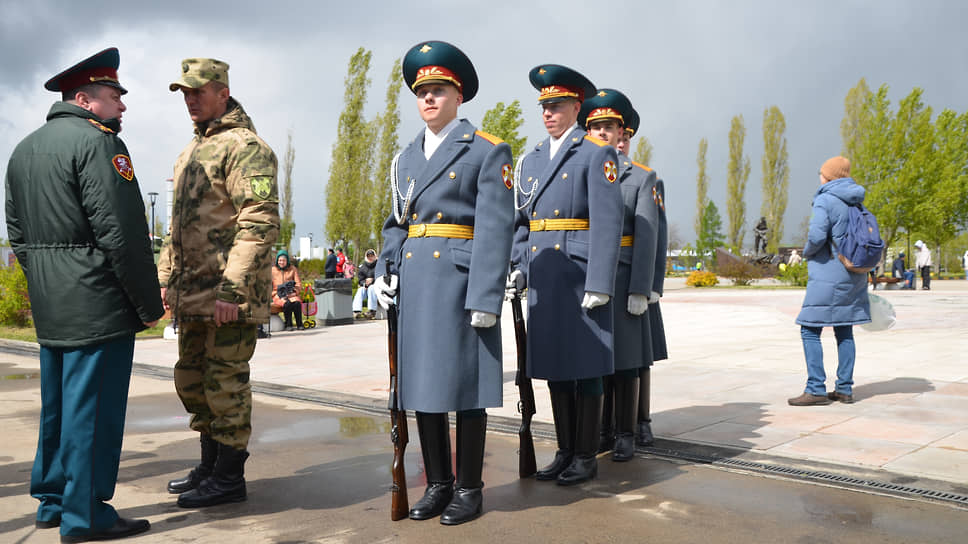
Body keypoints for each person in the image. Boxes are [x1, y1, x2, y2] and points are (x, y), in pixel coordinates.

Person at [5, 47, 163, 541]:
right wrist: (148, 302)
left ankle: (53, 501)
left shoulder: (24, 149)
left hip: (54, 301)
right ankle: (86, 515)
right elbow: (122, 232)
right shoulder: (100, 146)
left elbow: (18, 235)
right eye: (114, 94)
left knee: (59, 407)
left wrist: (47, 282)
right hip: (97, 301)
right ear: (84, 99)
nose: (122, 105)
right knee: (91, 411)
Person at [373, 40, 513, 525]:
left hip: (459, 281)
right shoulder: (405, 158)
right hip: (415, 284)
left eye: (438, 90)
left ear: (459, 96)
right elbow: (395, 224)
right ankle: (437, 483)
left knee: (466, 389)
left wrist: (486, 295)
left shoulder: (487, 150)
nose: (429, 99)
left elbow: (496, 226)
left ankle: (469, 487)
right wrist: (383, 271)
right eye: (422, 91)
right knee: (422, 388)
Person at [158, 57, 280, 508]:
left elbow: (259, 220)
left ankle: (229, 477)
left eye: (198, 91)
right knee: (192, 382)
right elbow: (177, 226)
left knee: (225, 383)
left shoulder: (246, 147)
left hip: (228, 294)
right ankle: (209, 466)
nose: (190, 100)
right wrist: (166, 279)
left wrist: (234, 288)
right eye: (185, 93)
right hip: (191, 293)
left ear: (223, 93)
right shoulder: (190, 151)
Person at [507, 64, 623, 485]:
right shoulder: (532, 159)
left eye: (556, 105)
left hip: (578, 274)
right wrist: (520, 266)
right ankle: (564, 449)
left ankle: (586, 454)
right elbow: (522, 220)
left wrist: (599, 283)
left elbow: (607, 222)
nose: (548, 113)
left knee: (586, 366)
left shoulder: (595, 153)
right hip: (545, 276)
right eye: (544, 106)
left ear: (577, 107)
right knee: (556, 366)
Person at [579, 91, 657, 462]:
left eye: (608, 127)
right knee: (596, 359)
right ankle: (601, 430)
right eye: (594, 127)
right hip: (586, 276)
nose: (602, 134)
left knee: (626, 362)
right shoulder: (577, 170)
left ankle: (625, 432)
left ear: (620, 132)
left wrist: (643, 287)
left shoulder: (639, 177)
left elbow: (647, 236)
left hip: (623, 277)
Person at [789, 156, 870, 406]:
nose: (819, 177)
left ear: (829, 176)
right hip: (853, 273)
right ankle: (844, 389)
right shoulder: (855, 201)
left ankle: (815, 388)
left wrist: (807, 252)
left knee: (809, 328)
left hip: (828, 274)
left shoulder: (825, 198)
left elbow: (816, 235)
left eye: (821, 173)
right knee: (844, 329)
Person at [271, 249, 303, 330]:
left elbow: (298, 284)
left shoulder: (292, 269)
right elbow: (267, 285)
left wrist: (295, 292)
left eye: (283, 260)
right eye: (280, 260)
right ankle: (289, 324)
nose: (281, 262)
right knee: (287, 303)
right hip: (278, 294)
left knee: (297, 303)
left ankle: (300, 324)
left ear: (287, 261)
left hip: (291, 293)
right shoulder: (272, 270)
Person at [353, 249, 379, 319]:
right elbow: (360, 279)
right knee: (360, 290)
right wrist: (365, 283)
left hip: (376, 287)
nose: (370, 258)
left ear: (375, 256)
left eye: (372, 256)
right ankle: (356, 311)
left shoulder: (379, 265)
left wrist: (372, 280)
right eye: (369, 256)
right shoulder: (363, 266)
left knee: (371, 288)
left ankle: (372, 311)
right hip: (366, 287)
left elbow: (381, 276)